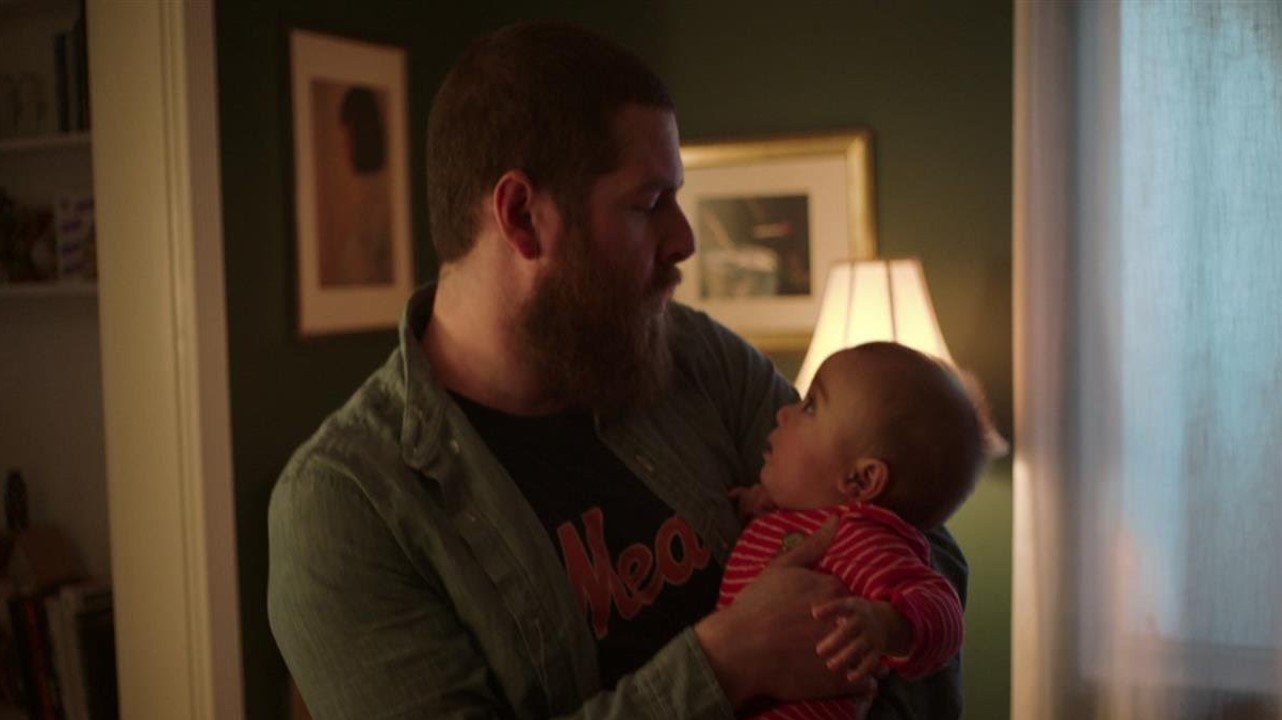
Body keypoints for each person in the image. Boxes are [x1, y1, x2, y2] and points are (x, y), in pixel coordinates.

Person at [267, 21, 968, 719]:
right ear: (522, 217)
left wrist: (879, 639)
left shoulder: (696, 356)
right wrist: (725, 663)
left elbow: (919, 541)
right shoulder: (348, 507)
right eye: (649, 203)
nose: (685, 239)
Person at [720, 342, 990, 719]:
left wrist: (885, 624)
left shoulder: (868, 540)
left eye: (810, 406)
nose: (783, 412)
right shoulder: (794, 511)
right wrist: (762, 499)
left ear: (861, 480)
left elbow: (945, 612)